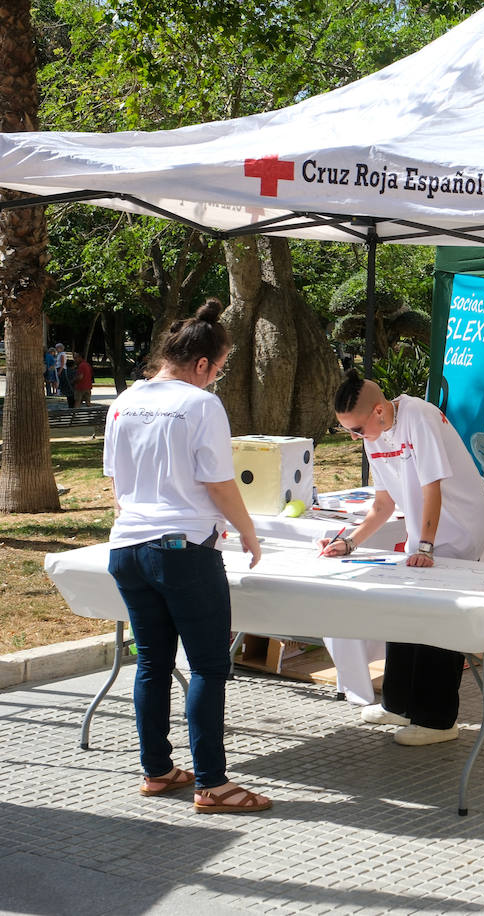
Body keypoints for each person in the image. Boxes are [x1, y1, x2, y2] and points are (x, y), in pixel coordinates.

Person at [104, 298, 271, 814]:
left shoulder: (123, 401)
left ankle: (156, 770)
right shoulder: (201, 405)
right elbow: (219, 483)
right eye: (217, 371)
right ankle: (213, 784)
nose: (214, 380)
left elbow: (115, 482)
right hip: (181, 550)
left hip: (127, 546)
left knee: (152, 662)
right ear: (202, 364)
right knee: (207, 666)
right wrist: (248, 532)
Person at [320, 370, 484, 746]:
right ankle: (398, 703)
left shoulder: (421, 417)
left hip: (458, 529)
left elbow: (433, 488)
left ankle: (437, 720)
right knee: (404, 611)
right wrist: (349, 543)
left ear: (379, 411)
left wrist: (426, 547)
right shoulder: (375, 435)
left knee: (438, 621)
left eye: (358, 429)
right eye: (348, 431)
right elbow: (383, 504)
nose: (355, 437)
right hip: (426, 535)